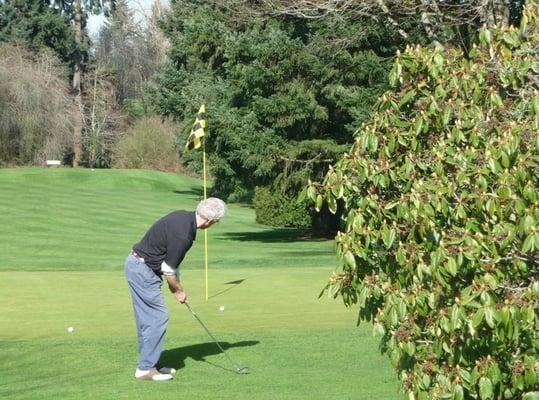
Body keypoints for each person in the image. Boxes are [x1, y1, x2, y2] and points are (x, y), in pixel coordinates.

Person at [124, 197, 227, 381]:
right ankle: (145, 368)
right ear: (210, 221)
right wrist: (178, 290)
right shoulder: (184, 235)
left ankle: (150, 362)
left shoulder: (182, 216)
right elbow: (168, 269)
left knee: (147, 318)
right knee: (158, 317)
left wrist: (176, 286)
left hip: (137, 265)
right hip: (143, 270)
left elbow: (170, 262)